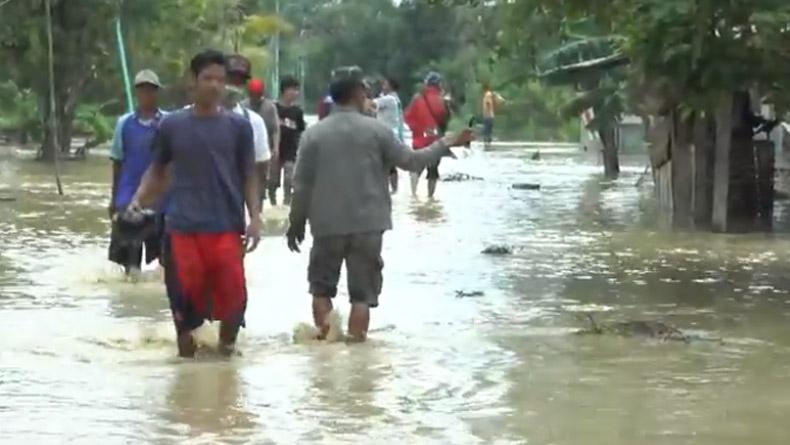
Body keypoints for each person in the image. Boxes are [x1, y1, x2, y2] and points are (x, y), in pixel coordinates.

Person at [285, 76, 474, 342]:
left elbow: (301, 185)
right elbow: (412, 161)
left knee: (321, 289)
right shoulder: (377, 131)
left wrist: (296, 224)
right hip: (369, 226)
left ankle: (325, 353)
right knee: (362, 296)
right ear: (358, 95)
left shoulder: (314, 135)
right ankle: (357, 355)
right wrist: (445, 143)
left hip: (327, 224)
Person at [128, 50, 262, 358]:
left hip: (226, 227)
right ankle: (186, 372)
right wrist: (138, 199)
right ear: (193, 81)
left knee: (234, 298)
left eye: (220, 80)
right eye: (208, 78)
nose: (215, 86)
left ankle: (227, 354)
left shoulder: (239, 128)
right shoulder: (172, 126)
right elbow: (157, 170)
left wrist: (255, 216)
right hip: (182, 227)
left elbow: (249, 175)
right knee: (183, 301)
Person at [108, 69, 167, 276]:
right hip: (127, 195)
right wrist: (114, 199)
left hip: (160, 198)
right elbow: (117, 161)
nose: (146, 94)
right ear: (136, 92)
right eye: (142, 90)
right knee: (129, 256)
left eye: (151, 90)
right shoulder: (124, 124)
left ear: (157, 92)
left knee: (164, 255)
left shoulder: (167, 123)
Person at [225, 55, 270, 206]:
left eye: (240, 81)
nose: (234, 86)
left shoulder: (253, 122)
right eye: (230, 79)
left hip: (235, 208)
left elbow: (259, 168)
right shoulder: (188, 118)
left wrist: (255, 212)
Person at [404, 71, 449, 198]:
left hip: (419, 141)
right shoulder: (442, 100)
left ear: (426, 84)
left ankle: (413, 196)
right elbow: (445, 121)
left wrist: (417, 130)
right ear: (439, 84)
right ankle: (430, 198)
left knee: (415, 168)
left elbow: (407, 117)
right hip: (436, 141)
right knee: (433, 172)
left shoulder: (417, 98)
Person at [244, 78, 280, 207]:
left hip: (265, 149)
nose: (255, 97)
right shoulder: (244, 106)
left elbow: (275, 128)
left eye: (258, 94)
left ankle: (259, 203)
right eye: (253, 94)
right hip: (247, 149)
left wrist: (275, 147)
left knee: (263, 179)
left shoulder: (269, 107)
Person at [271, 75, 306, 206]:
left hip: (290, 150)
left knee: (289, 179)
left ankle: (286, 205)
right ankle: (273, 204)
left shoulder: (297, 111)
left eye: (297, 90)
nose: (296, 93)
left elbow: (301, 131)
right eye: (293, 89)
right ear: (285, 90)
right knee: (273, 180)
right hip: (275, 149)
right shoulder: (273, 108)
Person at [374, 77, 405, 193]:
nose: (383, 86)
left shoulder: (388, 99)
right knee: (391, 166)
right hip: (393, 135)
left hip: (385, 135)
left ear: (391, 86)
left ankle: (386, 190)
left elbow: (370, 105)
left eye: (385, 84)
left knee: (384, 166)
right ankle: (394, 190)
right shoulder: (396, 99)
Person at [482, 82, 506, 148]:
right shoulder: (489, 94)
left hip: (488, 116)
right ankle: (488, 145)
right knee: (488, 131)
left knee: (487, 131)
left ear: (484, 89)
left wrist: (488, 112)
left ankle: (487, 145)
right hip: (489, 115)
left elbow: (488, 103)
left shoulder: (487, 94)